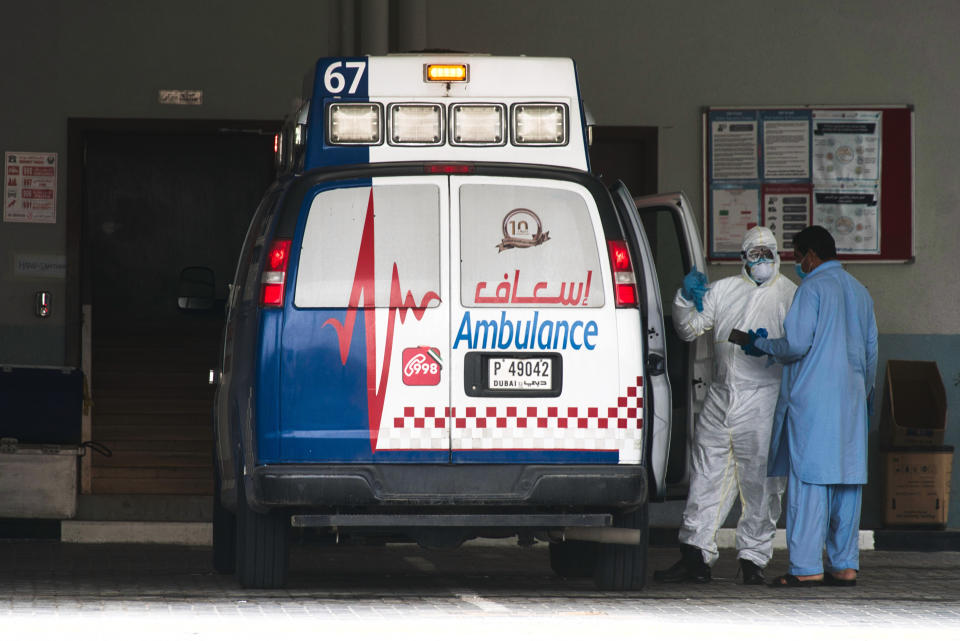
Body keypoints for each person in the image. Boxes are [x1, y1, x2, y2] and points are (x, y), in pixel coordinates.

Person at [653, 226, 796, 585]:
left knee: (761, 483)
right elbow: (689, 330)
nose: (762, 259)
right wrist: (686, 299)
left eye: (768, 252)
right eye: (755, 253)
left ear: (778, 254)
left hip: (764, 399)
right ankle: (695, 555)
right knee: (706, 477)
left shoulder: (791, 296)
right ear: (742, 258)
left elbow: (800, 347)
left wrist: (771, 347)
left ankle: (753, 559)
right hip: (720, 398)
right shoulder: (723, 290)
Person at [742, 225, 878, 587]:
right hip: (851, 403)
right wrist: (864, 398)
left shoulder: (812, 288)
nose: (796, 264)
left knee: (810, 484)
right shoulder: (861, 292)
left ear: (811, 257)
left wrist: (765, 346)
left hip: (815, 404)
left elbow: (797, 344)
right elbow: (871, 354)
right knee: (847, 484)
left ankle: (806, 569)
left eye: (797, 257)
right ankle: (844, 565)